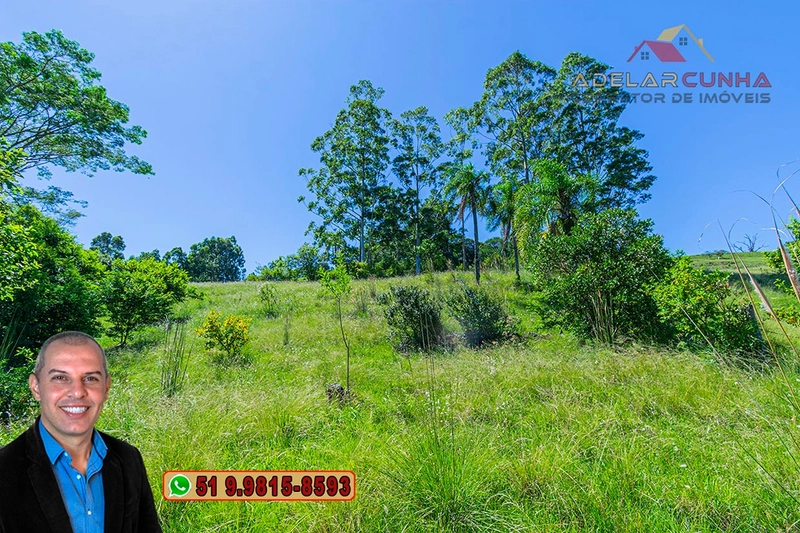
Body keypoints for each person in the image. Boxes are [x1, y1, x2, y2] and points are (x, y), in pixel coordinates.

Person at [0, 331, 162, 533]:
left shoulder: (129, 459)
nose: (77, 392)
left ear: (106, 387)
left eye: (91, 378)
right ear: (36, 387)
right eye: (60, 377)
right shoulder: (4, 470)